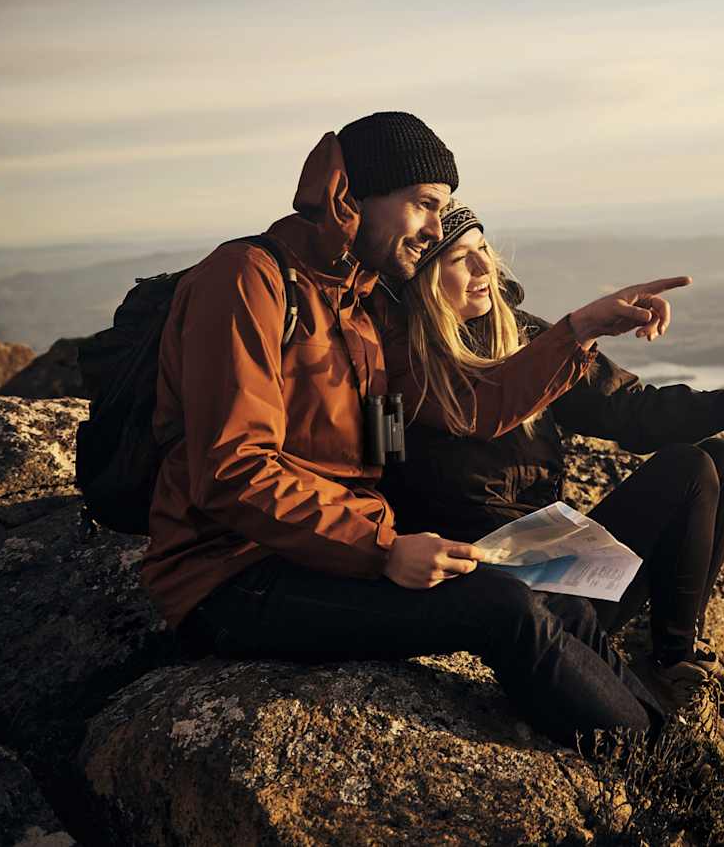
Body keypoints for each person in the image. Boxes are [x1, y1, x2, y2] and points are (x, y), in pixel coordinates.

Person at [142, 111, 694, 746]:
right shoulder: (248, 280)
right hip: (234, 575)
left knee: (555, 600)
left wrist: (580, 331)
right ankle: (657, 766)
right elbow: (233, 469)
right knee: (502, 609)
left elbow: (470, 406)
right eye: (424, 205)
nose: (436, 227)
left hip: (322, 553)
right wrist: (380, 548)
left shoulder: (356, 300)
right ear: (353, 198)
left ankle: (664, 748)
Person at [377, 198, 724, 714]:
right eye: (459, 259)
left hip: (558, 562)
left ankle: (674, 657)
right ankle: (669, 668)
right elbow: (467, 416)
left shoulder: (523, 335)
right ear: (423, 282)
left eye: (484, 248)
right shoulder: (407, 365)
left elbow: (628, 410)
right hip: (505, 593)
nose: (483, 268)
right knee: (690, 469)